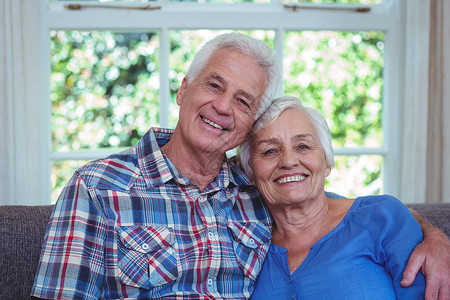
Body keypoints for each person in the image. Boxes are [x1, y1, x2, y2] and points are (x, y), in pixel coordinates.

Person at [31, 33, 449, 300]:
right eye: (214, 85)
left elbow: (335, 212)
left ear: (249, 122)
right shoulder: (99, 187)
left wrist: (434, 236)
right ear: (183, 89)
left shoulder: (255, 189)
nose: (223, 107)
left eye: (244, 101)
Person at [239, 96, 426, 299]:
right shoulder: (246, 248)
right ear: (250, 174)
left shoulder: (383, 219)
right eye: (270, 151)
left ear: (326, 161)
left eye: (303, 146)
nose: (289, 161)